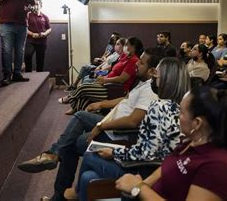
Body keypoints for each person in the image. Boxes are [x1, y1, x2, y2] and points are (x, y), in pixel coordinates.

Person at [18, 47, 166, 201]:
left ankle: (56, 173)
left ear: (152, 71)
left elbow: (133, 121)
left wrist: (101, 126)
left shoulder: (150, 90)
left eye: (141, 63)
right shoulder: (144, 83)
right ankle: (53, 156)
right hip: (110, 122)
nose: (137, 64)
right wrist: (101, 104)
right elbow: (126, 100)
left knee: (71, 145)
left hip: (116, 133)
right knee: (80, 116)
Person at [69, 57, 191, 200]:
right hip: (165, 171)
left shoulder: (160, 106)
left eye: (156, 73)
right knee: (87, 177)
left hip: (147, 171)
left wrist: (114, 152)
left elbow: (146, 153)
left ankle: (75, 193)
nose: (153, 76)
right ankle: (78, 193)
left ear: (165, 79)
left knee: (90, 155)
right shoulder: (184, 107)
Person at [115, 87, 227, 201]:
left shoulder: (217, 167)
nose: (177, 116)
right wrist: (143, 183)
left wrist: (139, 188)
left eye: (181, 112)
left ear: (197, 123)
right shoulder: (191, 142)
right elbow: (167, 167)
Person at [59, 37, 143, 115]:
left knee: (83, 88)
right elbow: (113, 69)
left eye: (126, 44)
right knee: (85, 90)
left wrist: (105, 80)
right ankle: (78, 111)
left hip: (115, 90)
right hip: (107, 84)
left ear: (133, 47)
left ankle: (70, 98)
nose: (125, 47)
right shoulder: (126, 58)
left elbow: (122, 79)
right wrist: (104, 78)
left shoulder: (133, 60)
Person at [24, 0, 51, 72]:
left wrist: (45, 33)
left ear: (41, 6)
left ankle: (40, 77)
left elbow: (49, 29)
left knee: (40, 61)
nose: (35, 6)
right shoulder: (28, 15)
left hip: (42, 42)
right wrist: (32, 34)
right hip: (30, 41)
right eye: (33, 4)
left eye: (37, 4)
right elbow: (24, 28)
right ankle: (28, 73)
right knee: (27, 55)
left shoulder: (45, 17)